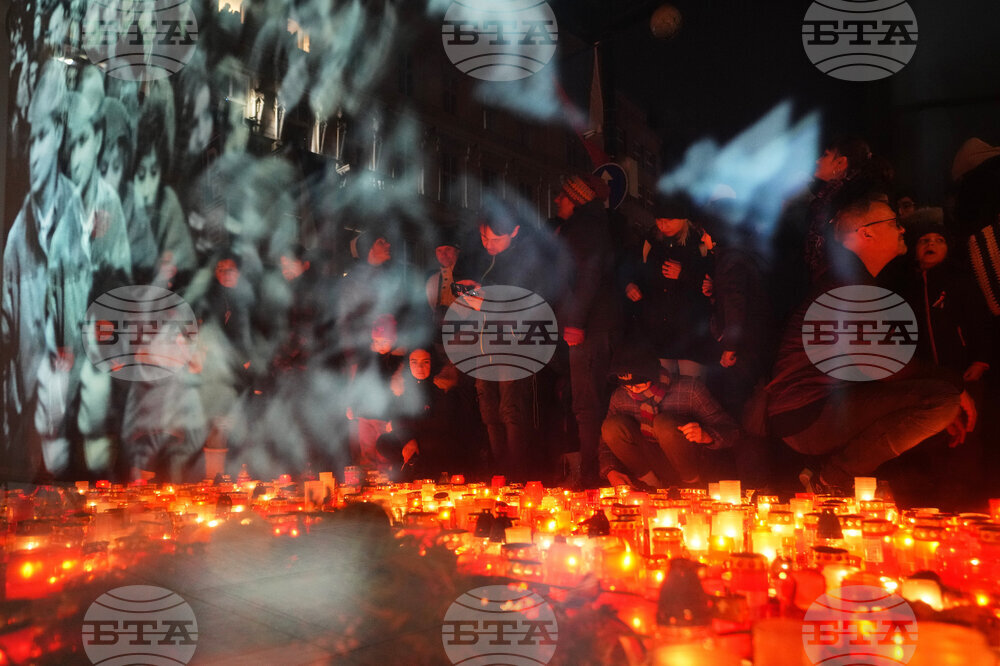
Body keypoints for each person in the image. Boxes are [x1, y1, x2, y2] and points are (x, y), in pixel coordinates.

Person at [766, 194, 974, 491]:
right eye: (894, 223)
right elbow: (883, 366)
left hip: (807, 409)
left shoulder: (847, 279)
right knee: (941, 400)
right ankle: (830, 480)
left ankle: (832, 477)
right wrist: (953, 387)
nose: (903, 229)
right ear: (866, 233)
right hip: (808, 412)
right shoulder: (848, 285)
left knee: (936, 403)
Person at [2, 60, 91, 480]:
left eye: (41, 137)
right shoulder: (16, 242)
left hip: (74, 419)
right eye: (28, 141)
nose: (33, 154)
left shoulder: (81, 219)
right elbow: (6, 333)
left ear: (56, 135)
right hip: (27, 430)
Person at [452, 194, 566, 481]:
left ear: (514, 231)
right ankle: (499, 471)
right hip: (484, 340)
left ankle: (517, 474)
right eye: (483, 237)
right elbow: (464, 274)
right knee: (488, 406)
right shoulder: (480, 252)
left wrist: (488, 302)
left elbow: (532, 303)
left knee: (511, 408)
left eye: (495, 239)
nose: (488, 244)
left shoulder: (530, 257)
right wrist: (465, 287)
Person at [552, 174, 621, 486]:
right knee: (586, 400)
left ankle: (591, 475)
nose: (557, 200)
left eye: (563, 196)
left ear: (577, 199)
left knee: (587, 402)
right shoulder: (586, 226)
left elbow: (587, 276)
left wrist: (575, 322)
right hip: (589, 324)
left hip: (589, 327)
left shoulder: (585, 229)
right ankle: (593, 470)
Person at [599, 346, 741, 488]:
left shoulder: (689, 390)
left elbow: (731, 431)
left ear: (652, 375)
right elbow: (606, 441)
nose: (633, 390)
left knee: (663, 424)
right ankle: (651, 485)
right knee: (611, 427)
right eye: (627, 386)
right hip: (652, 462)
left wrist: (706, 436)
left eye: (639, 384)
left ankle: (690, 485)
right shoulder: (620, 397)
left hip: (691, 461)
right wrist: (610, 470)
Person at [625, 192, 714, 379]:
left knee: (691, 386)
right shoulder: (650, 241)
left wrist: (684, 274)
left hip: (690, 332)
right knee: (663, 385)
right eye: (659, 220)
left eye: (669, 220)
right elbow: (631, 268)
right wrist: (630, 285)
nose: (662, 225)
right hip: (658, 331)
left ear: (683, 219)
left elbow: (712, 282)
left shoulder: (701, 243)